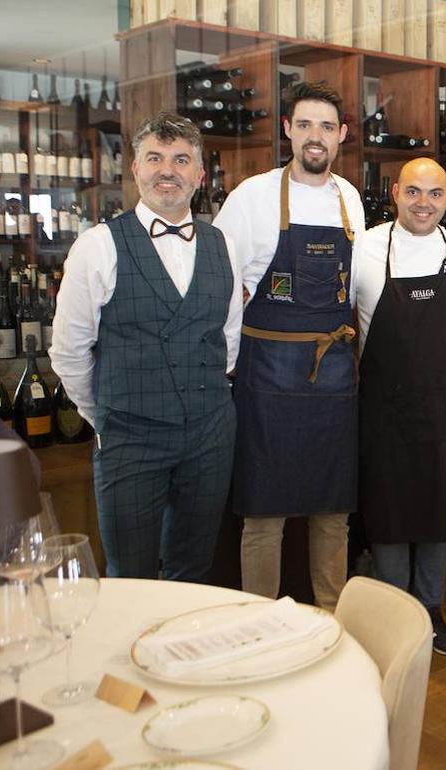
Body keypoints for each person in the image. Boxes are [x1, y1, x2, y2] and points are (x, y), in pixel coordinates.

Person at [50, 112, 242, 580]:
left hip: (210, 434)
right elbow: (69, 352)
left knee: (194, 567)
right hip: (130, 437)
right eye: (154, 158)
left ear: (199, 175)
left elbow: (228, 341)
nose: (167, 170)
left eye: (181, 160)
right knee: (130, 573)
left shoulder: (225, 245)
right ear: (135, 169)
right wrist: (108, 417)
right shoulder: (97, 246)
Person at [214, 81, 365, 612]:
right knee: (263, 512)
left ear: (342, 135)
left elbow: (356, 292)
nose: (315, 136)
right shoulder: (250, 198)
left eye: (326, 126)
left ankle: (331, 618)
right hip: (268, 372)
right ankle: (258, 620)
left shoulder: (349, 199)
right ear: (287, 129)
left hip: (334, 373)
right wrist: (228, 369)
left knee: (333, 509)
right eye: (304, 125)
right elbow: (224, 291)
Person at [354, 157, 446, 656]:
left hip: (444, 410)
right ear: (396, 193)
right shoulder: (364, 248)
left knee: (437, 515)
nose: (424, 203)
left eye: (435, 194)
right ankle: (392, 609)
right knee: (387, 514)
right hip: (383, 412)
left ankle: (429, 609)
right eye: (414, 192)